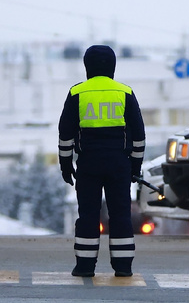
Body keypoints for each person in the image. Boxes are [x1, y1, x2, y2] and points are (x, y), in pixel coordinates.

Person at [58, 45, 146, 277]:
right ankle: (123, 266)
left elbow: (65, 133)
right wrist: (134, 168)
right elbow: (138, 135)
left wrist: (66, 165)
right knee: (120, 215)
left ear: (87, 66)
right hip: (119, 164)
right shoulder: (125, 92)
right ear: (113, 66)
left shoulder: (77, 93)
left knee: (88, 215)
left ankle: (85, 266)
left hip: (88, 164)